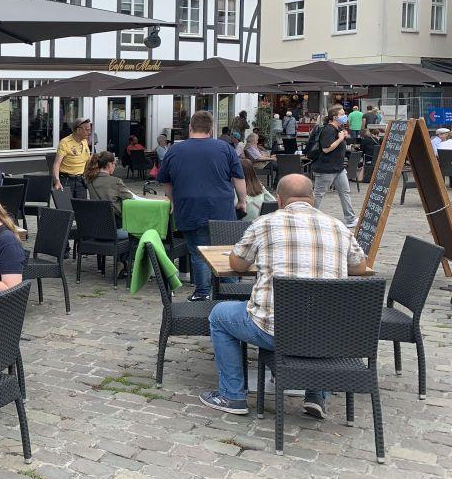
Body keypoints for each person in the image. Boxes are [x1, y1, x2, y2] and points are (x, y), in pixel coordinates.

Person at [199, 174, 368, 417]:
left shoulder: (265, 224)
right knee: (317, 312)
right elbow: (360, 268)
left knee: (219, 315)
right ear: (312, 198)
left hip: (273, 331)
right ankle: (316, 395)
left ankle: (232, 395)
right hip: (328, 335)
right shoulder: (338, 226)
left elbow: (237, 264)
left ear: (279, 200)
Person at [157, 110, 246, 302]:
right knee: (225, 251)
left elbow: (165, 181)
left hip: (189, 206)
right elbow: (238, 177)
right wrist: (243, 201)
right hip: (221, 207)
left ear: (190, 127)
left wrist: (174, 199)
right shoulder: (225, 148)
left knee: (198, 251)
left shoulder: (174, 150)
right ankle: (230, 292)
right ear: (211, 129)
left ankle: (202, 292)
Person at [311, 105, 356, 228]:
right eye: (342, 114)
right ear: (335, 117)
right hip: (326, 168)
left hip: (338, 168)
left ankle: (350, 218)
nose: (345, 116)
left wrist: (343, 136)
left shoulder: (337, 129)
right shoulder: (329, 130)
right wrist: (340, 139)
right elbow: (326, 148)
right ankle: (310, 218)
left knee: (345, 192)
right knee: (319, 193)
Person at [84, 151, 134, 220]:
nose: (115, 166)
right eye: (115, 164)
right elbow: (130, 197)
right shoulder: (116, 181)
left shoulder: (89, 180)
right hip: (115, 223)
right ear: (110, 164)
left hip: (96, 221)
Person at [51, 117, 92, 198]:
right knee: (65, 208)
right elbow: (56, 164)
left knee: (82, 207)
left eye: (89, 129)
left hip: (80, 180)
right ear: (78, 130)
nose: (89, 132)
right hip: (66, 180)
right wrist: (57, 181)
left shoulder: (85, 141)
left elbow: (88, 160)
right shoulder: (65, 142)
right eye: (87, 130)